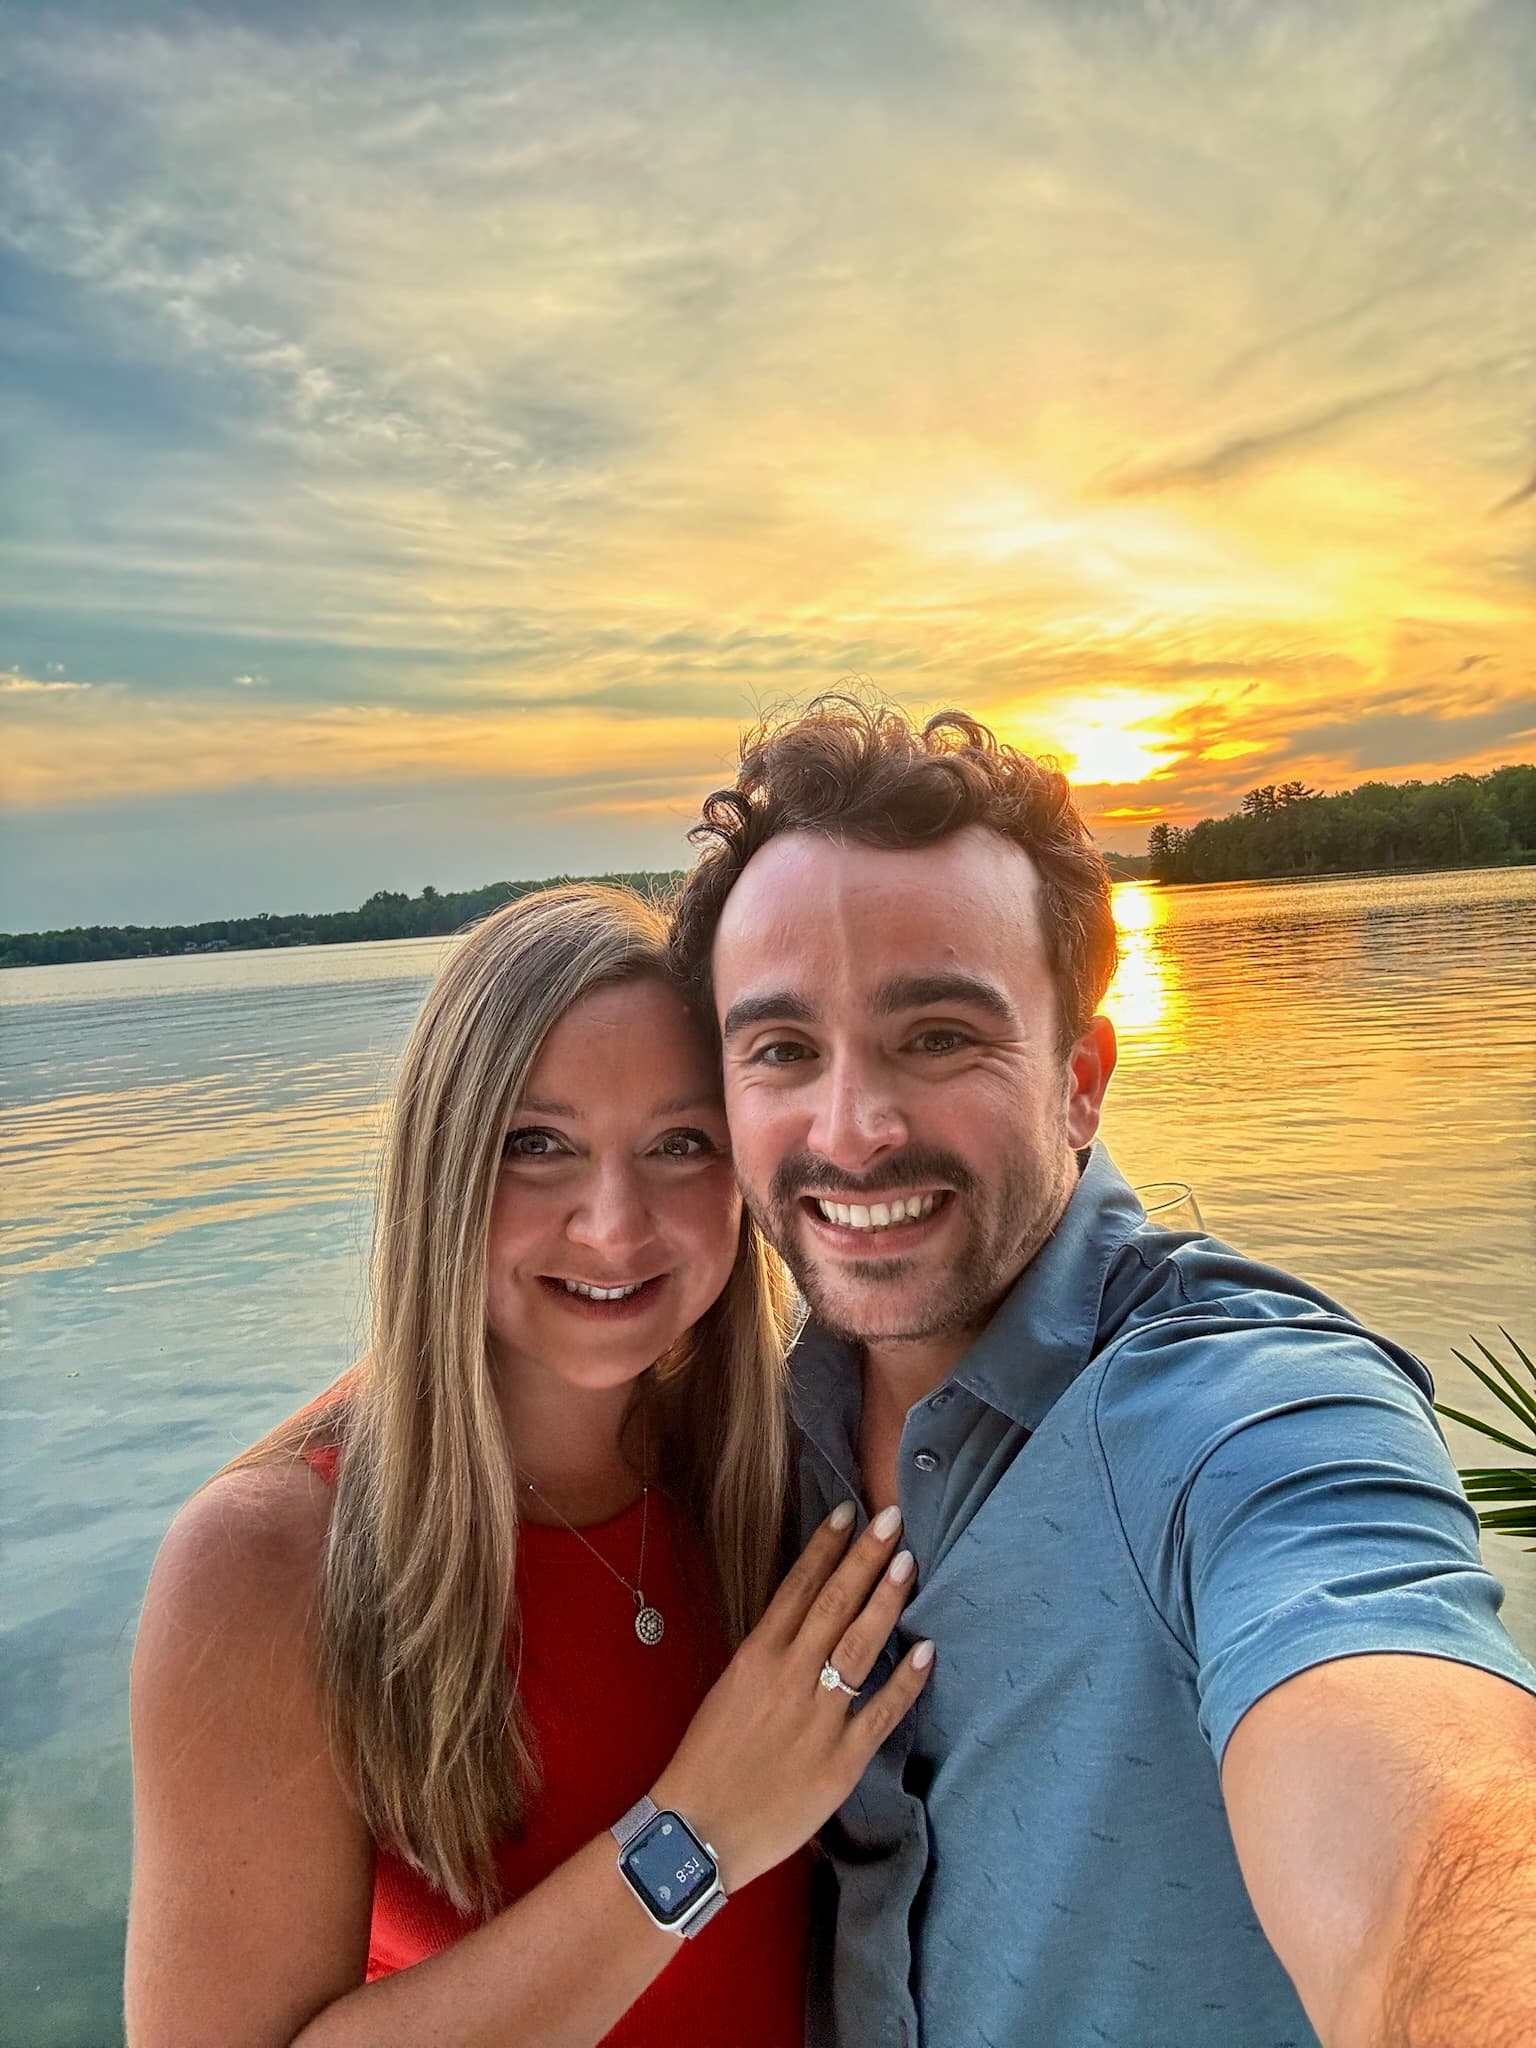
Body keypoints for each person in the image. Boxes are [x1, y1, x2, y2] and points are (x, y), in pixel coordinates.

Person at [669, 696, 1536, 2048]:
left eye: (939, 1036)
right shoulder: (744, 1442)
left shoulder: (1234, 1413)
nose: (855, 1129)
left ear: (1081, 1078)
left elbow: (1438, 1850)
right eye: (784, 1052)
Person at [126, 884, 934, 2048]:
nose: (614, 1223)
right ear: (441, 1170)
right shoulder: (268, 1556)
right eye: (537, 1145)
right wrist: (696, 1831)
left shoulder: (785, 1464)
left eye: (680, 1142)